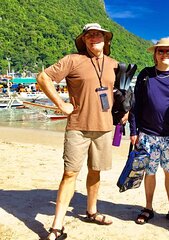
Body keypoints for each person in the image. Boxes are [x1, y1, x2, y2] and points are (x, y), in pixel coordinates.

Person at [37, 23, 125, 240]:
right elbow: (43, 78)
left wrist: (125, 112)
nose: (94, 38)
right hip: (78, 126)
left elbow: (122, 93)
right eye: (89, 35)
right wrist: (61, 103)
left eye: (99, 35)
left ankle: (91, 211)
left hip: (104, 128)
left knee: (96, 172)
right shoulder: (73, 60)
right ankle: (57, 226)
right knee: (70, 173)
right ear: (84, 40)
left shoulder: (115, 65)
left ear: (106, 40)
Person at [128, 38, 169, 226]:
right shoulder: (146, 75)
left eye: (168, 51)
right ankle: (148, 207)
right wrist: (133, 131)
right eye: (160, 51)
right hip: (147, 134)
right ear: (155, 55)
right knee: (150, 172)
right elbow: (135, 105)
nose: (164, 54)